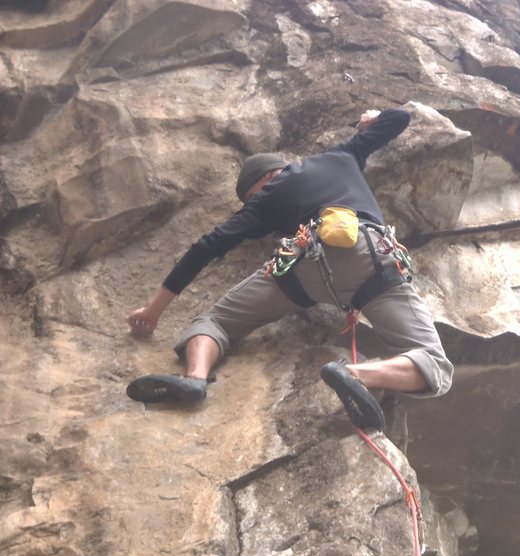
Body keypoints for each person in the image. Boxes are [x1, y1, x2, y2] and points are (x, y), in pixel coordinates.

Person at [126, 108, 453, 431]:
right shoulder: (339, 156)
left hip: (300, 266)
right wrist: (372, 119)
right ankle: (355, 374)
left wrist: (153, 310)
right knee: (434, 364)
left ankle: (195, 379)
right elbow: (400, 119)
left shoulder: (264, 201)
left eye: (252, 195)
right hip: (368, 260)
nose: (256, 201)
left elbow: (205, 248)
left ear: (269, 176)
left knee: (217, 321)